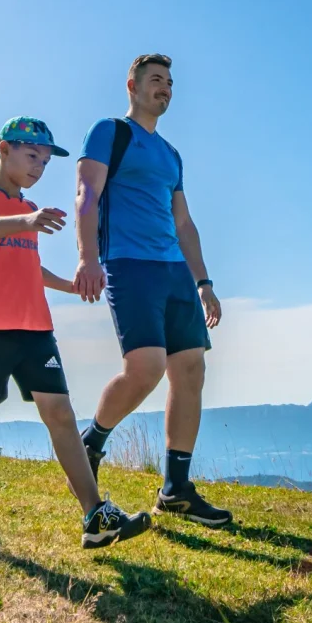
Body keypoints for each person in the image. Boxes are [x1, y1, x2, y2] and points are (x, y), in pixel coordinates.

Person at [0, 115, 151, 549]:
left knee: (61, 415)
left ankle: (95, 515)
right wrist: (27, 221)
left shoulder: (28, 211)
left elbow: (28, 267)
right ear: (4, 149)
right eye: (31, 156)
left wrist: (72, 283)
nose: (39, 167)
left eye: (45, 161)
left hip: (36, 329)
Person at [74, 55, 232, 527]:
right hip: (129, 264)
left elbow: (184, 222)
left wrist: (203, 282)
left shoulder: (171, 155)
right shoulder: (109, 132)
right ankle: (92, 444)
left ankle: (176, 489)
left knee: (190, 368)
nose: (165, 89)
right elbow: (87, 195)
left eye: (169, 83)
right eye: (156, 80)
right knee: (144, 368)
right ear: (133, 86)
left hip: (174, 271)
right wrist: (86, 258)